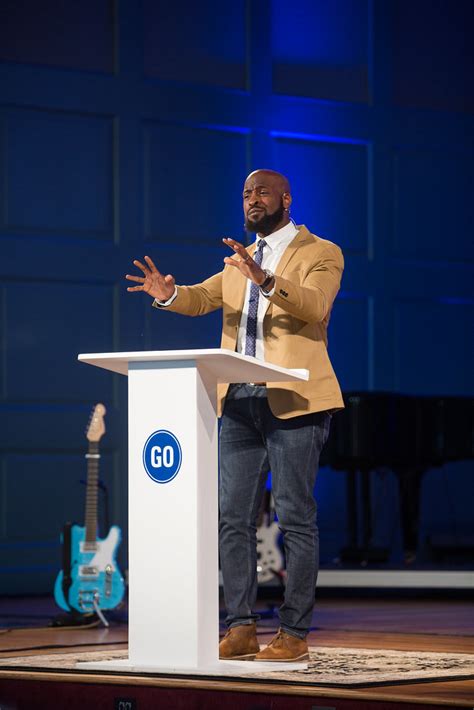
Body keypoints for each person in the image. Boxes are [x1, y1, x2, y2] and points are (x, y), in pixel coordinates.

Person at [126, 169, 344, 662]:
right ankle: (241, 627)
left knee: (295, 516)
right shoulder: (237, 263)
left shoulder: (320, 252)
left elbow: (314, 306)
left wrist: (264, 278)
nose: (252, 200)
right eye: (246, 193)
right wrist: (167, 293)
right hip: (240, 401)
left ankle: (293, 634)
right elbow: (202, 297)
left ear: (286, 198)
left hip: (295, 400)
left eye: (262, 192)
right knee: (232, 518)